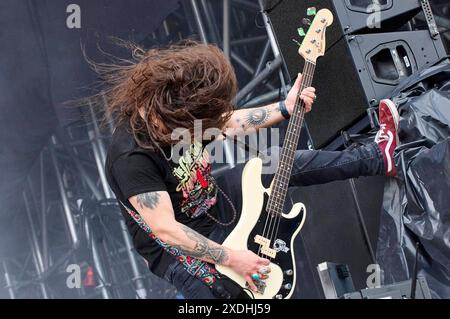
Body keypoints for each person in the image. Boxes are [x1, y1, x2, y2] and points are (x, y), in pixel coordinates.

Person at [104, 42, 399, 299]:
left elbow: (226, 122)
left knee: (276, 161)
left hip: (212, 201)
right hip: (178, 247)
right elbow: (165, 229)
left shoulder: (178, 110)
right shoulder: (131, 156)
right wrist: (233, 258)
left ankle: (377, 157)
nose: (197, 134)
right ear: (163, 122)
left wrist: (285, 107)